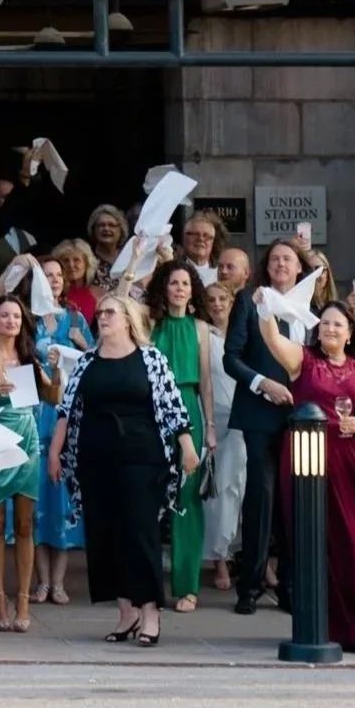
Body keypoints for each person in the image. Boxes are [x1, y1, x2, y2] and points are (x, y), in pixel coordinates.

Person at [260, 295, 355, 656]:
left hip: (352, 461)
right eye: (324, 322)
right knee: (318, 544)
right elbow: (272, 338)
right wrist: (267, 309)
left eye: (338, 323)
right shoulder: (303, 361)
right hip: (310, 462)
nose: (330, 328)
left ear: (349, 331)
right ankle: (325, 626)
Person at [49, 292, 190, 646]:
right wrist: (55, 453)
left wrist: (187, 446)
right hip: (95, 458)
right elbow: (66, 410)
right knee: (105, 534)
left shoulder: (151, 359)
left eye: (110, 312)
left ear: (128, 319)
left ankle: (150, 614)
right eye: (100, 313)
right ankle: (125, 611)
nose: (103, 318)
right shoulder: (86, 362)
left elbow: (174, 405)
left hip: (142, 455)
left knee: (140, 532)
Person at [223, 234, 312, 614]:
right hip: (260, 412)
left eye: (287, 259)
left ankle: (292, 585)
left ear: (299, 267)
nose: (280, 264)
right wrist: (263, 384)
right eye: (274, 258)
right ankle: (251, 585)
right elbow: (232, 358)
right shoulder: (249, 300)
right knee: (261, 495)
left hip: (304, 416)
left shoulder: (313, 306)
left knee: (297, 499)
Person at [0, 285, 58, 631]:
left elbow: (53, 397)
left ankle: (22, 598)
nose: (10, 321)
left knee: (25, 524)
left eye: (16, 316)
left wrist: (56, 370)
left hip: (26, 438)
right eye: (4, 315)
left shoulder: (30, 357)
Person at [141, 260, 211, 611]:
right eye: (173, 282)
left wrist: (210, 426)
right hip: (151, 411)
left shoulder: (200, 328)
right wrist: (144, 254)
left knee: (187, 499)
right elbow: (124, 298)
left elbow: (206, 383)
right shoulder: (151, 324)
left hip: (188, 407)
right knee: (149, 498)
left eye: (185, 283)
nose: (180, 289)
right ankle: (147, 585)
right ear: (164, 287)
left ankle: (188, 586)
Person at [197, 277, 243, 596]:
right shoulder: (203, 335)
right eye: (211, 300)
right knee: (215, 488)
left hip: (241, 416)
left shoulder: (242, 334)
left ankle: (234, 549)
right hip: (211, 415)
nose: (217, 305)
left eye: (222, 300)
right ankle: (219, 559)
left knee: (237, 483)